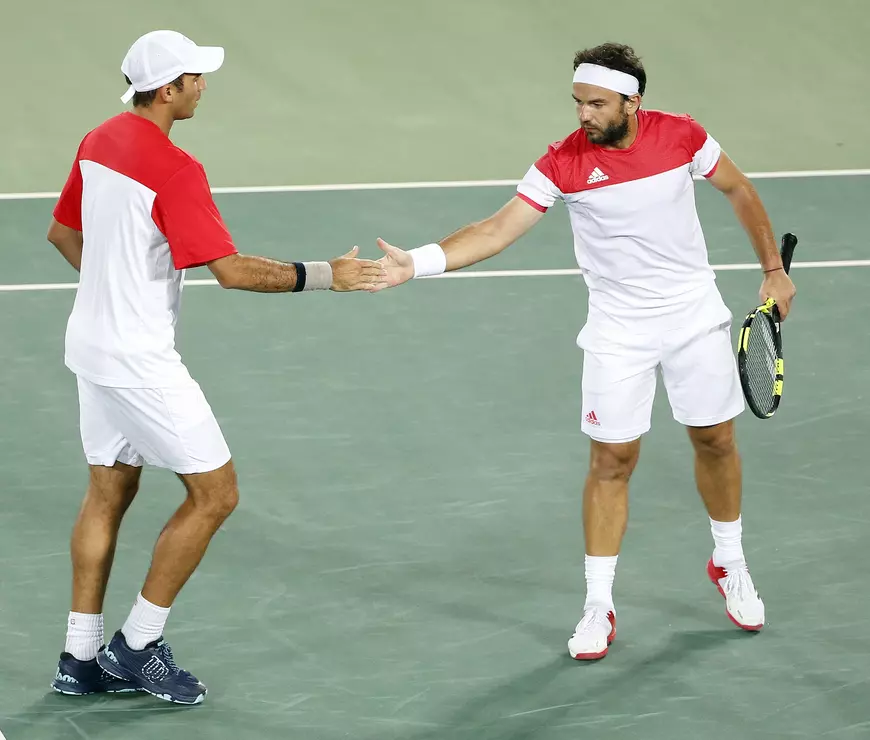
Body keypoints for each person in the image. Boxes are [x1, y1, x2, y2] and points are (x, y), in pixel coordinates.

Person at [372, 43, 795, 660]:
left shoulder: (683, 136)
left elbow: (738, 188)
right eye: (577, 102)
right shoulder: (562, 162)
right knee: (612, 460)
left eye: (597, 104)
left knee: (716, 440)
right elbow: (496, 229)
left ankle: (729, 562)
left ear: (632, 102)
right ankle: (599, 603)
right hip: (618, 330)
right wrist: (419, 262)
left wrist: (773, 269)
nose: (584, 114)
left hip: (694, 316)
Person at [47, 29, 386, 704]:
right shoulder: (176, 168)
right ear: (167, 90)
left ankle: (79, 658)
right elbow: (231, 271)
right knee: (216, 494)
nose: (203, 86)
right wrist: (329, 275)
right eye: (194, 77)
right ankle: (136, 645)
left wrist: (114, 292)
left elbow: (62, 233)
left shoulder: (98, 140)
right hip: (138, 361)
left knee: (107, 491)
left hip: (89, 345)